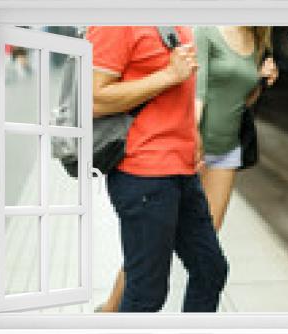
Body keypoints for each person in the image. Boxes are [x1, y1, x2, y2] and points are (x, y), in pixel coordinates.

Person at [87, 26, 229, 312]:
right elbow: (93, 99)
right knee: (146, 294)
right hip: (143, 174)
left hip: (182, 171)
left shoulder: (178, 22)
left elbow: (179, 92)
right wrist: (168, 75)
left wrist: (192, 135)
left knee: (210, 270)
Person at [195, 26, 279, 231]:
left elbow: (243, 101)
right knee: (157, 247)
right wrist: (193, 141)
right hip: (192, 147)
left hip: (227, 151)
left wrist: (260, 79)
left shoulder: (258, 42)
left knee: (209, 237)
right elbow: (197, 93)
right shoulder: (207, 31)